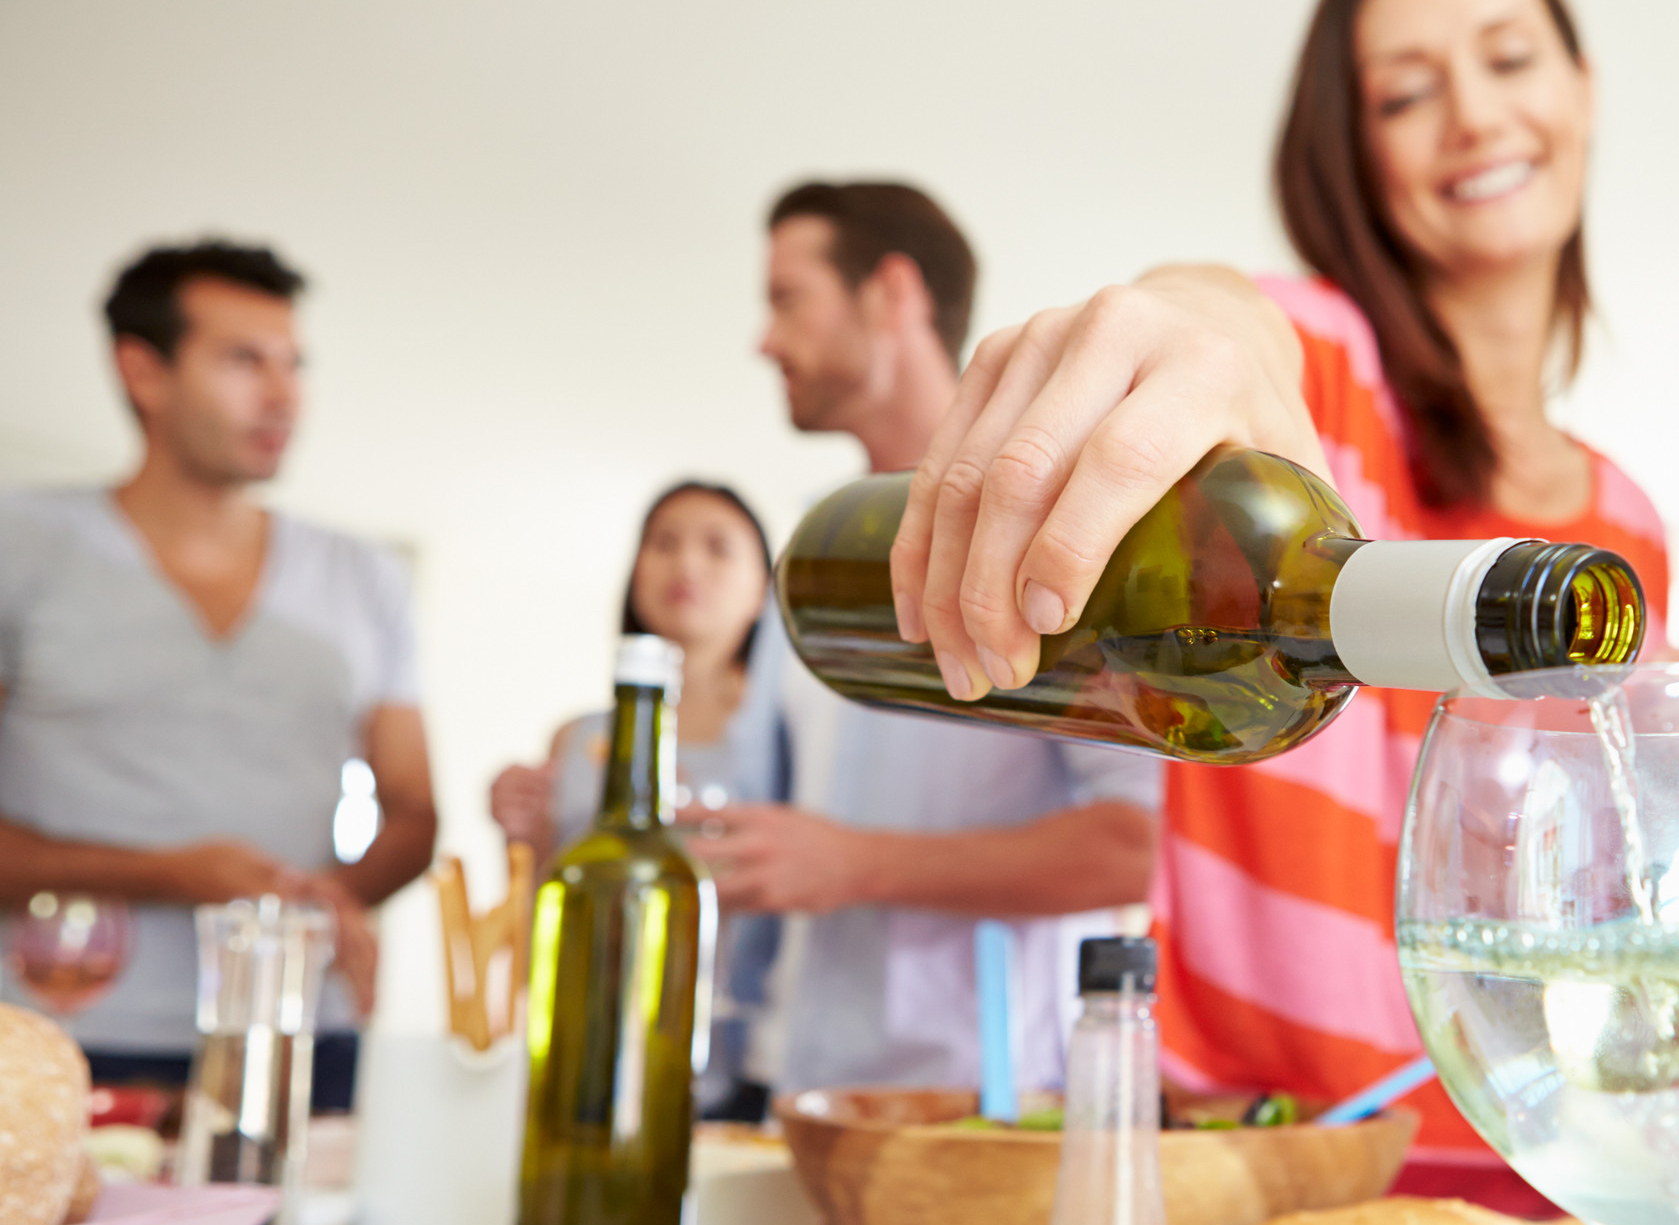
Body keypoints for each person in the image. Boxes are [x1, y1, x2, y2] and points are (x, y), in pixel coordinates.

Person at [878, 0, 1676, 1207]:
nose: (1472, 115)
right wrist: (1189, 328)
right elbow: (1226, 319)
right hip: (1250, 1200)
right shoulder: (1319, 376)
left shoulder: (1624, 522)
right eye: (1406, 94)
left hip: (1542, 1199)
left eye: (1509, 58)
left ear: (1579, 88)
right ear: (1351, 160)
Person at [688, 181, 1163, 1094]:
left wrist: (856, 863)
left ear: (891, 294)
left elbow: (1136, 844)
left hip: (981, 1120)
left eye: (788, 298)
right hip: (787, 1095)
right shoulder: (807, 563)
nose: (763, 338)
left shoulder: (1057, 538)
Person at [0, 239, 437, 1110]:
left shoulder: (366, 577)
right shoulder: (21, 546)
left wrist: (322, 901)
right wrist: (174, 874)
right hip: (59, 1042)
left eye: (294, 365)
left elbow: (415, 813)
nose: (285, 396)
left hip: (297, 1036)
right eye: (244, 361)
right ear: (143, 372)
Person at [489, 479, 789, 1117]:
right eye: (663, 543)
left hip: (733, 1064)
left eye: (717, 547)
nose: (686, 564)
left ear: (765, 588)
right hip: (583, 1045)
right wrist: (518, 836)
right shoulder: (577, 739)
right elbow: (540, 911)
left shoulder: (785, 734)